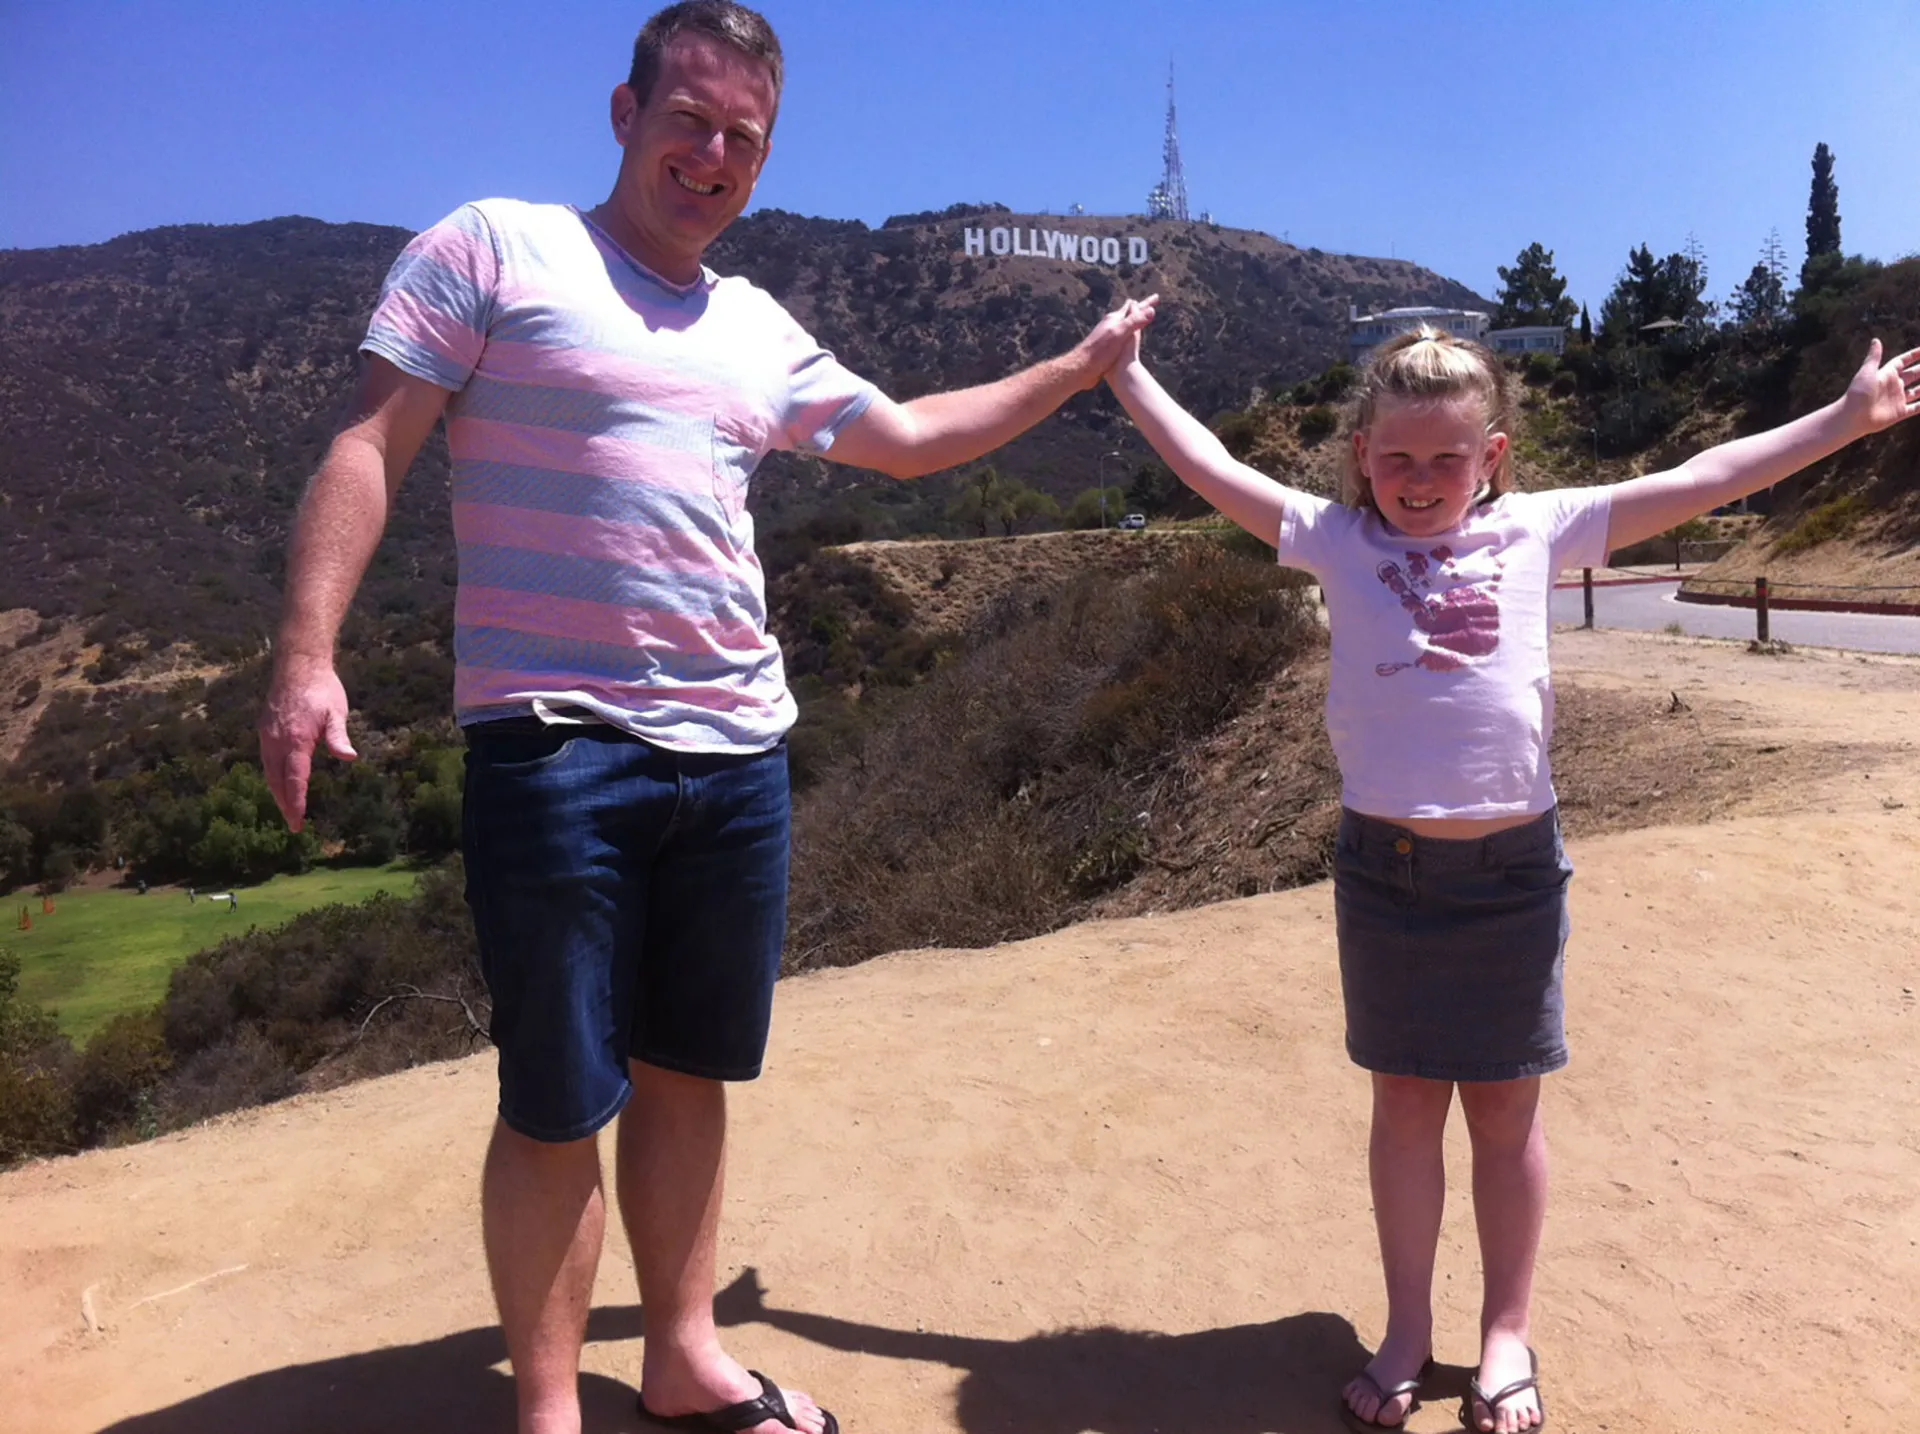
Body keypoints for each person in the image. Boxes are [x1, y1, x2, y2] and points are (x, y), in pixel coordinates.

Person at [255, 5, 1151, 1432]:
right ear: (625, 111)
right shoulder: (496, 246)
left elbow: (913, 441)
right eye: (692, 119)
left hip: (735, 754)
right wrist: (309, 652)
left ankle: (679, 1358)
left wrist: (1078, 369)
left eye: (745, 136)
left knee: (690, 1070)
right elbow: (370, 442)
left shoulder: (756, 327)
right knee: (558, 1098)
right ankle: (549, 1407)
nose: (714, 152)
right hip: (554, 747)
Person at [1102, 309, 1918, 1434]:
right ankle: (1403, 1330)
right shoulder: (1334, 539)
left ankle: (1505, 1331)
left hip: (1511, 876)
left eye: (1448, 457)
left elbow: (1701, 475)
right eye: (1396, 458)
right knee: (1401, 1108)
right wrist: (1130, 377)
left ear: (1494, 457)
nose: (1420, 479)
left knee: (1502, 1114)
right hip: (1384, 876)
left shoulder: (1540, 527)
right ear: (1360, 458)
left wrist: (1843, 420)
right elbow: (1213, 467)